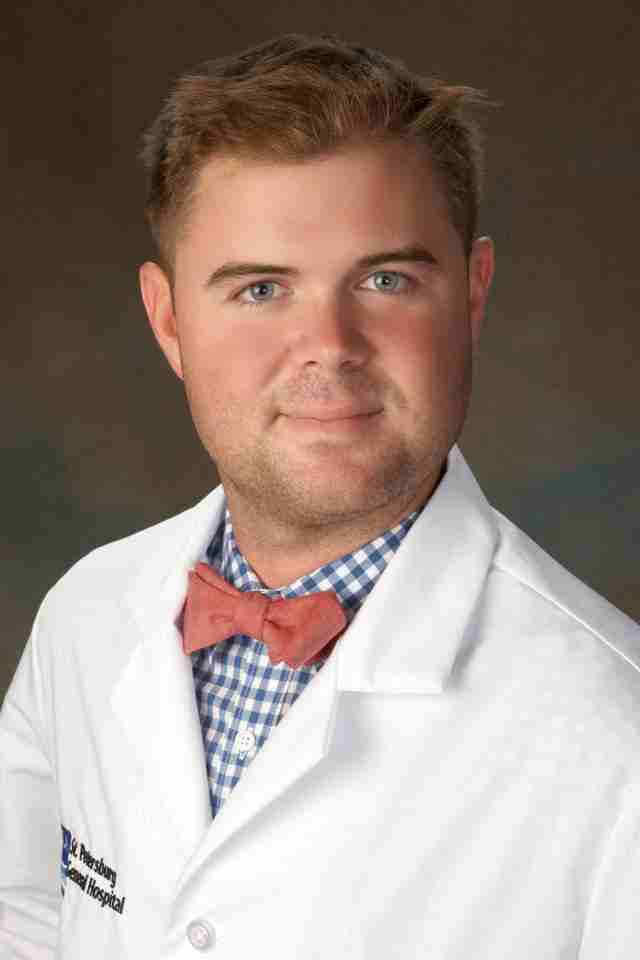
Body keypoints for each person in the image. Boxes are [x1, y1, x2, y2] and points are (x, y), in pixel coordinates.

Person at [1, 31, 639, 960]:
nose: (330, 346)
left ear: (473, 295)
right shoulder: (86, 616)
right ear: (168, 321)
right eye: (261, 289)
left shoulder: (617, 738)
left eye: (385, 280)